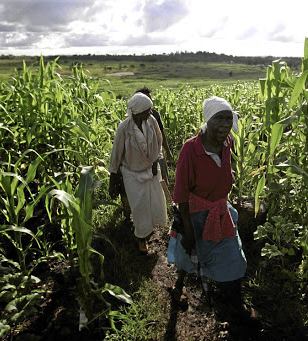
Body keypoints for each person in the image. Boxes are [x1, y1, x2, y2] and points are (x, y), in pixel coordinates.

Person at [167, 96, 255, 319]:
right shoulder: (190, 150)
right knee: (188, 253)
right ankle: (179, 286)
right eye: (220, 119)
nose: (226, 125)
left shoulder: (227, 143)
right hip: (195, 214)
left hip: (220, 212)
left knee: (233, 255)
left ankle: (234, 303)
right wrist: (187, 229)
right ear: (208, 121)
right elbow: (181, 194)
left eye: (229, 119)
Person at [109, 92, 167, 253]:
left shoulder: (151, 121)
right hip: (132, 174)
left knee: (154, 203)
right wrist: (112, 178)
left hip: (151, 169)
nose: (150, 113)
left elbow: (158, 140)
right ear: (137, 112)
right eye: (147, 110)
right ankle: (141, 238)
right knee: (140, 207)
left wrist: (156, 162)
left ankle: (149, 232)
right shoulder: (124, 128)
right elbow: (116, 153)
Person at [119, 86, 173, 220]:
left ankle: (161, 214)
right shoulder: (126, 125)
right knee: (136, 199)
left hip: (154, 159)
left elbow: (161, 136)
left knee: (157, 190)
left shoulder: (153, 115)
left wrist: (166, 153)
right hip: (133, 169)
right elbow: (119, 150)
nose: (150, 107)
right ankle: (130, 216)